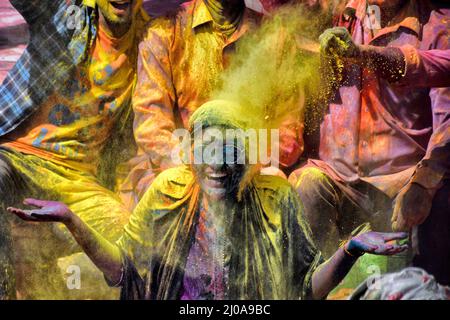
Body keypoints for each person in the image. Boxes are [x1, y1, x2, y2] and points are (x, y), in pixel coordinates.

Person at [7, 100, 409, 300]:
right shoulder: (168, 192)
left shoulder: (276, 198)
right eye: (207, 151)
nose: (217, 165)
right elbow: (126, 272)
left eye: (230, 153)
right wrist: (71, 219)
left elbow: (304, 291)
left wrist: (350, 250)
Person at [288, 0, 449, 285]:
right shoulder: (337, 12)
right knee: (306, 184)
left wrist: (424, 181)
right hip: (336, 174)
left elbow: (446, 121)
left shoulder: (437, 25)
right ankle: (303, 289)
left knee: (440, 200)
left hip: (401, 178)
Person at [0, 0, 148, 299]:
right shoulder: (68, 16)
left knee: (128, 233)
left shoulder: (150, 40)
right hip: (17, 158)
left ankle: (33, 262)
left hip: (79, 183)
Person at [120, 0, 305, 210]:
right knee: (174, 192)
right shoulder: (164, 33)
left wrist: (241, 163)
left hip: (249, 173)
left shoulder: (276, 39)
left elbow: (289, 135)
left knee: (276, 188)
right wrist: (203, 163)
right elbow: (151, 128)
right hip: (178, 172)